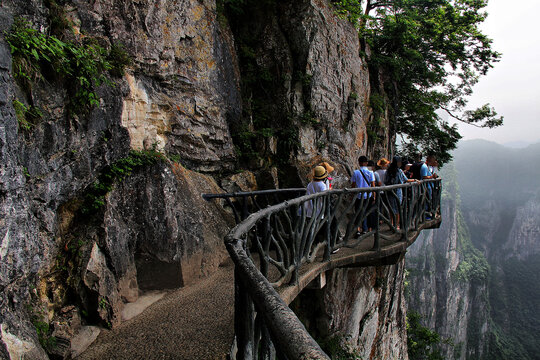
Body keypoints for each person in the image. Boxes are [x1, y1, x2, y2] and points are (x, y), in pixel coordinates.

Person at [384, 156, 417, 229]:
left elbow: (385, 181)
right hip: (398, 192)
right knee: (398, 208)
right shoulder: (399, 171)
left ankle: (391, 224)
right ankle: (396, 225)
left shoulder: (388, 171)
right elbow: (406, 180)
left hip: (390, 191)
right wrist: (414, 180)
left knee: (391, 208)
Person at [351, 155, 375, 234]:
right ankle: (366, 228)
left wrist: (352, 195)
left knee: (358, 212)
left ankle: (358, 229)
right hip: (368, 196)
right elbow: (373, 185)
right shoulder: (370, 172)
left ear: (359, 163)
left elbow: (353, 185)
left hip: (359, 196)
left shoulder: (356, 172)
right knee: (367, 212)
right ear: (366, 163)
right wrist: (374, 196)